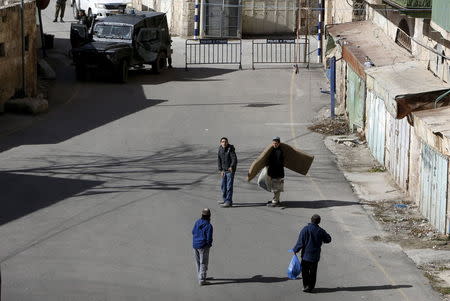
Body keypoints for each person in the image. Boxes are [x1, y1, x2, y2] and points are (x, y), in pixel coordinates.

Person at [292, 214, 332, 293]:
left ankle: (305, 286)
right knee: (313, 273)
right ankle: (311, 287)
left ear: (311, 220)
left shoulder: (305, 229)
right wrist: (323, 240)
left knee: (305, 272)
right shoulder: (321, 231)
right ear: (319, 222)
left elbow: (301, 242)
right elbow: (328, 239)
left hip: (305, 256)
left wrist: (295, 250)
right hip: (315, 256)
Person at [192, 208, 213, 286]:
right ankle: (202, 279)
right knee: (203, 262)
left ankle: (200, 275)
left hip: (195, 245)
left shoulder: (197, 222)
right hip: (203, 246)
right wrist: (209, 245)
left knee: (198, 262)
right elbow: (209, 238)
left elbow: (193, 232)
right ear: (209, 216)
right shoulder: (208, 225)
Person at [217, 137, 237, 208]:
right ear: (220, 143)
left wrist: (231, 166)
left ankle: (228, 201)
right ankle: (225, 200)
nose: (224, 143)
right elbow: (219, 160)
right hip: (223, 171)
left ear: (227, 142)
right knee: (223, 186)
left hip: (230, 171)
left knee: (229, 186)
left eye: (225, 142)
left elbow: (234, 159)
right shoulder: (220, 149)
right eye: (222, 142)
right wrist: (220, 170)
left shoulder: (230, 149)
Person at [267, 136, 284, 207]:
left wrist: (271, 173)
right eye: (273, 143)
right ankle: (277, 200)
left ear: (279, 143)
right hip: (275, 172)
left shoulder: (279, 152)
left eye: (276, 143)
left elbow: (277, 164)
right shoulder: (273, 150)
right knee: (275, 187)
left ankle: (275, 202)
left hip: (277, 173)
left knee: (276, 188)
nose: (274, 144)